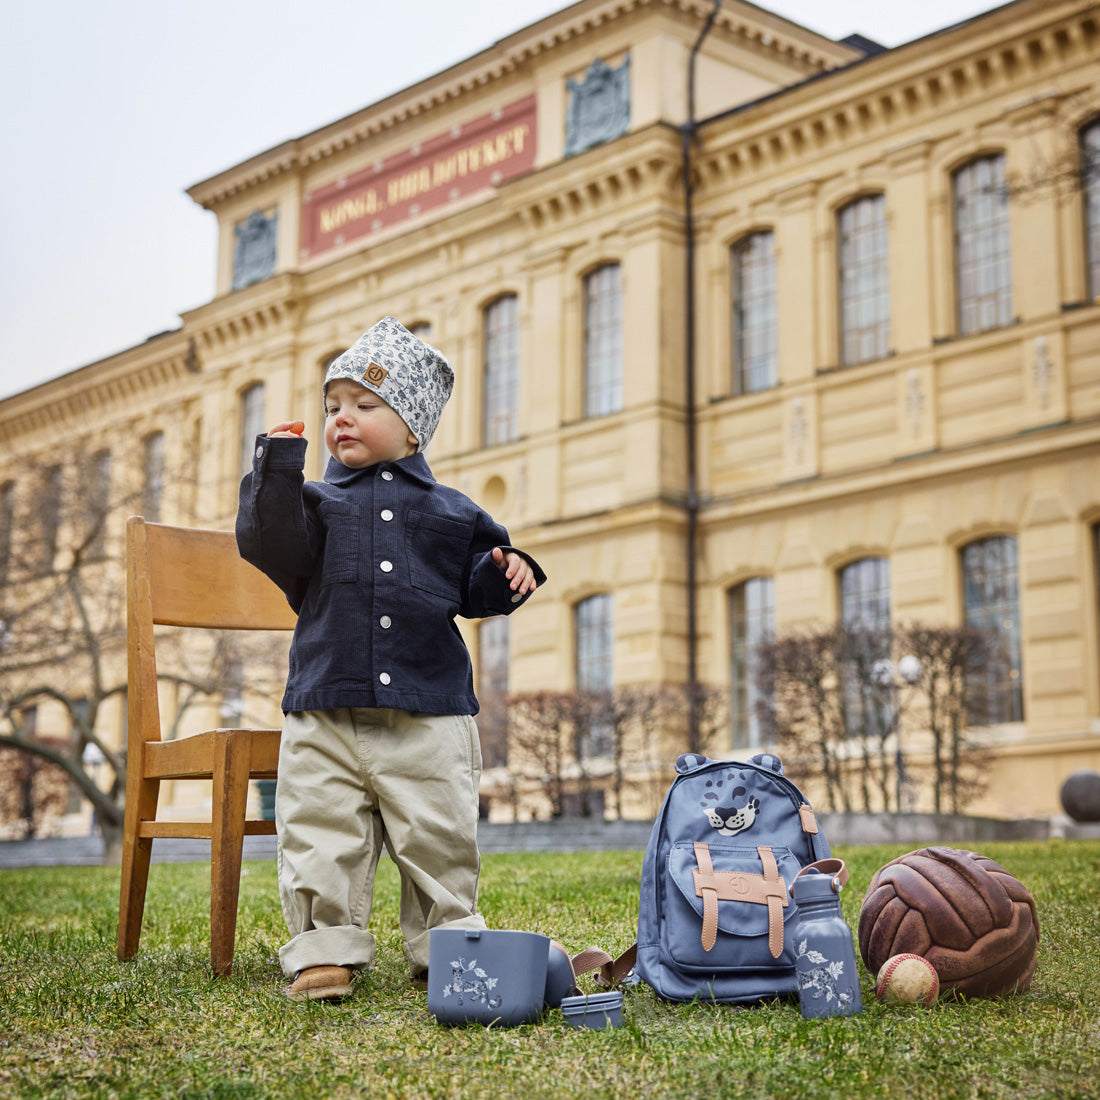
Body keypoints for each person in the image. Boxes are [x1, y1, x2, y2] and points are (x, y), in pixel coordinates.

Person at [236, 316, 545, 1002]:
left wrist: (507, 568)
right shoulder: (313, 504)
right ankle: (323, 950)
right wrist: (279, 468)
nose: (342, 418)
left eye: (364, 405)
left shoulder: (452, 510)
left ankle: (448, 945)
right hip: (325, 710)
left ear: (412, 426)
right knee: (318, 832)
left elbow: (480, 582)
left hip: (428, 714)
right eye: (333, 406)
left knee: (439, 836)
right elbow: (268, 541)